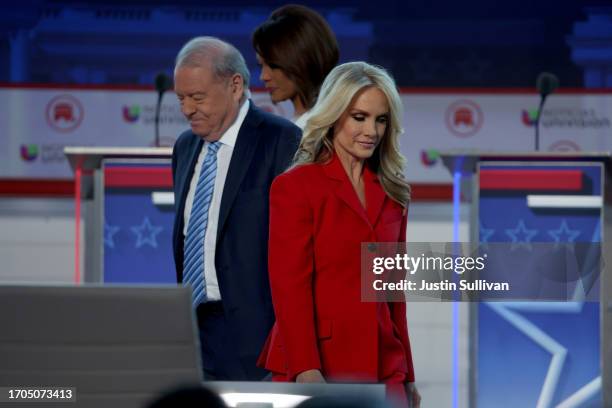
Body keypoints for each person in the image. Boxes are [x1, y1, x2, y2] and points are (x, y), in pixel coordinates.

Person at [257, 62, 421, 407]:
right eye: (359, 117)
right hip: (318, 360)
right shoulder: (295, 187)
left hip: (383, 361)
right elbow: (289, 287)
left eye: (381, 119)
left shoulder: (393, 194)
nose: (372, 131)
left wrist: (407, 374)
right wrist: (306, 368)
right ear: (334, 116)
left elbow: (394, 294)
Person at [171, 36, 301, 381]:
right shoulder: (185, 147)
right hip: (193, 332)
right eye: (181, 99)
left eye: (197, 97)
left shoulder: (281, 140)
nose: (187, 110)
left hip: (258, 339)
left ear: (235, 85)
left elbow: (297, 250)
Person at [252, 4, 339, 129]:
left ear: (304, 60)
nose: (264, 77)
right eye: (261, 66)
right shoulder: (295, 127)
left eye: (273, 66)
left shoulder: (321, 130)